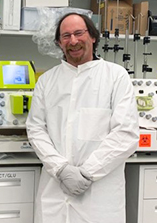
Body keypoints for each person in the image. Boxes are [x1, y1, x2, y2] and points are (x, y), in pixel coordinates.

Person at [26, 12, 139, 223]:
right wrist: (61, 169)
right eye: (66, 36)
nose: (73, 41)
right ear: (59, 43)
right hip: (55, 192)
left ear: (93, 37)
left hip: (99, 197)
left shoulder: (116, 76)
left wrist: (87, 173)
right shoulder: (47, 81)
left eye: (79, 33)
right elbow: (35, 129)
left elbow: (125, 133)